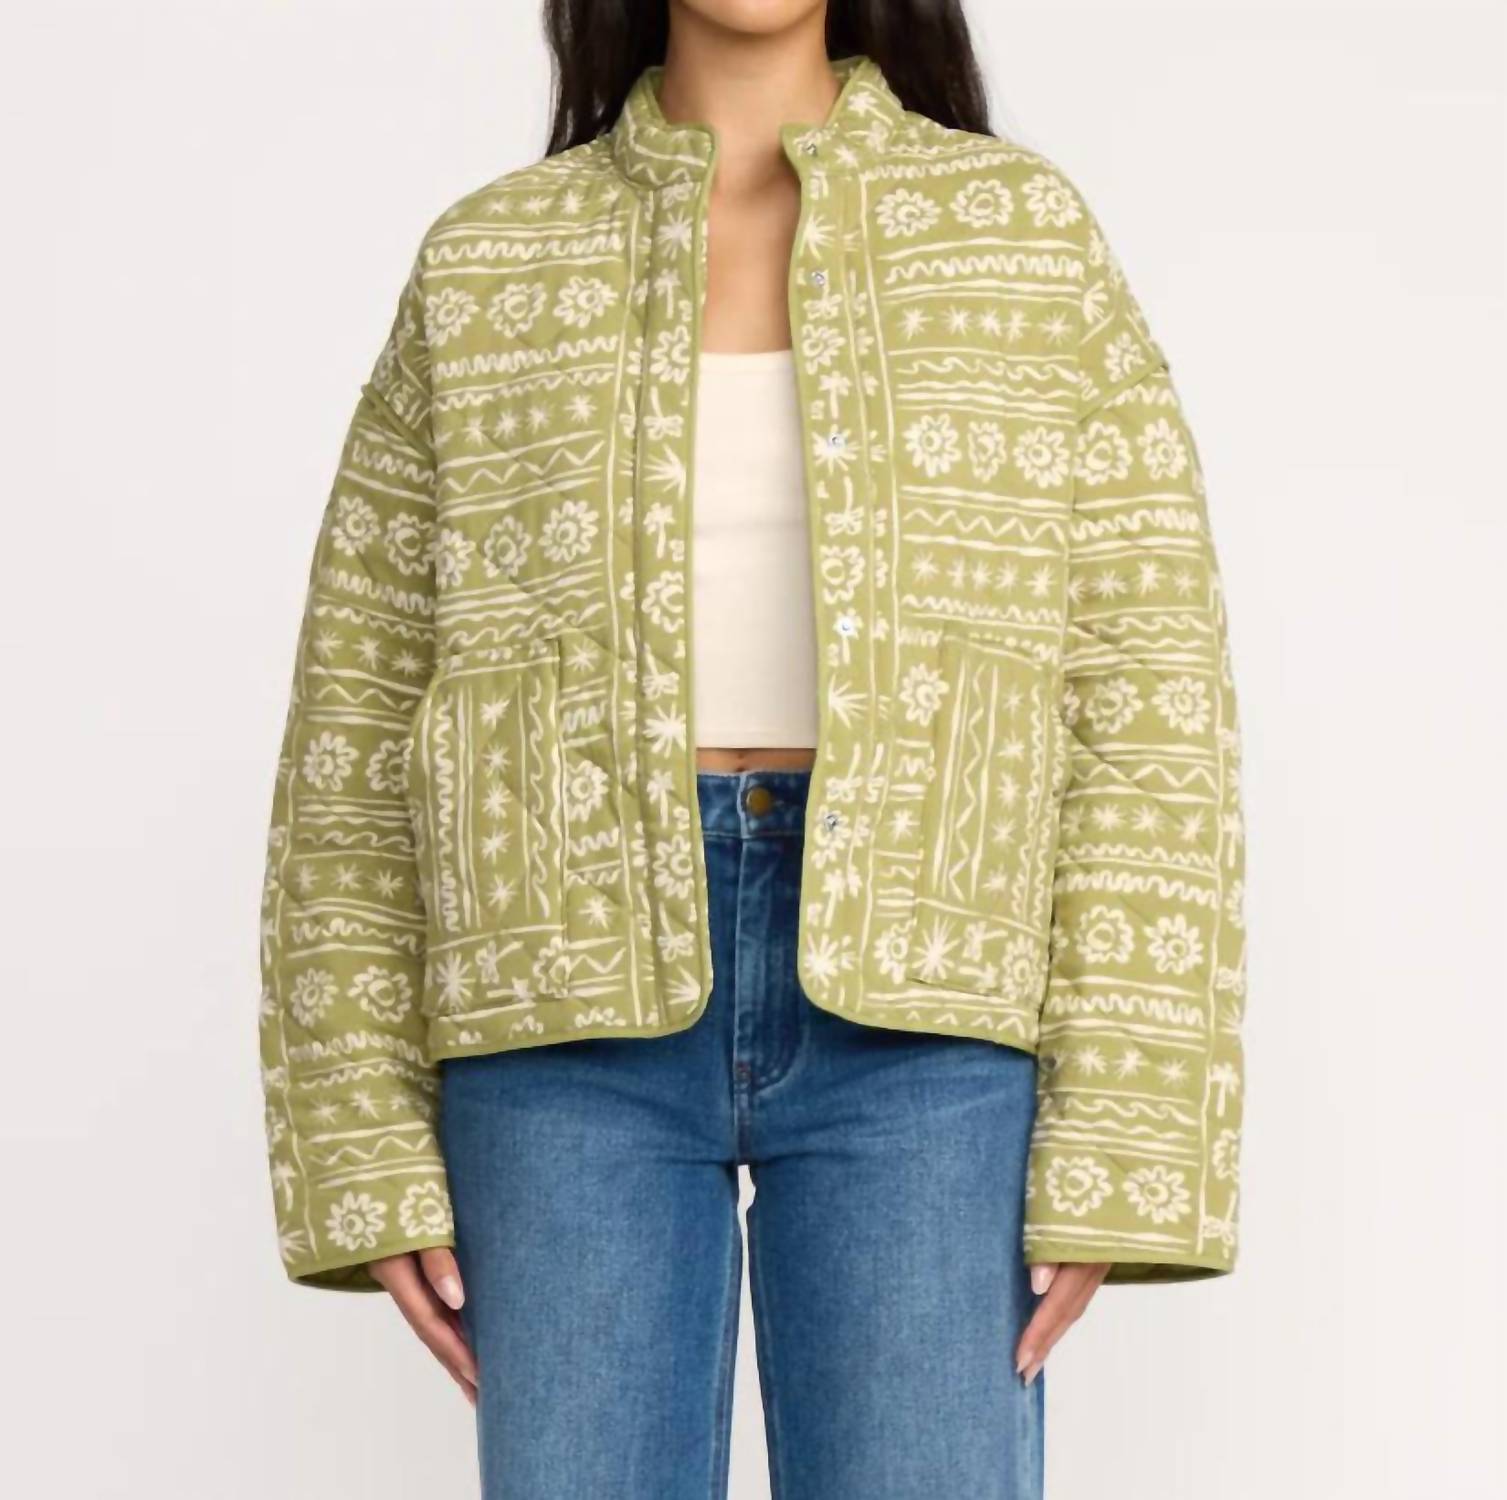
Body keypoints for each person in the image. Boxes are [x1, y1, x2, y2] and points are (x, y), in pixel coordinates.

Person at [255, 2, 1249, 1495]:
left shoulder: (1019, 237)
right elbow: (359, 705)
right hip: (557, 1003)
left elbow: (1146, 690)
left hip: (929, 1000)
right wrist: (362, 1137)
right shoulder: (491, 261)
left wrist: (1125, 1119)